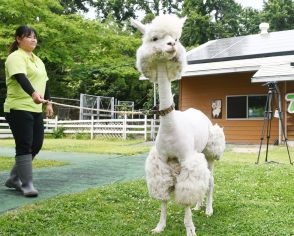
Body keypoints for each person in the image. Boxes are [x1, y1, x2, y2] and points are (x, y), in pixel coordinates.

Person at [3, 25, 53, 197]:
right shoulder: (15, 57)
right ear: (18, 39)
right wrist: (33, 93)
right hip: (17, 107)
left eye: (35, 37)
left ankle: (14, 178)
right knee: (24, 144)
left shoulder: (38, 60)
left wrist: (49, 103)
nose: (33, 39)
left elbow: (45, 82)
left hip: (35, 108)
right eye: (28, 36)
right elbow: (21, 78)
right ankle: (27, 184)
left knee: (36, 144)